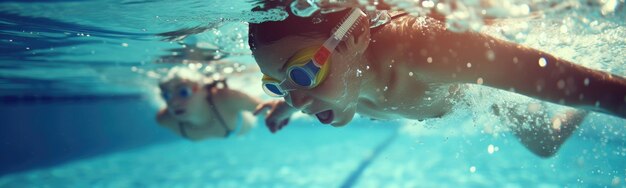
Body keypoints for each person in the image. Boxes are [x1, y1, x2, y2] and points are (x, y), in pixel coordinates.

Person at [248, 1, 626, 157]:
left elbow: (589, 88)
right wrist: (285, 105)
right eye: (278, 83)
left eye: (300, 74)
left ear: (358, 34)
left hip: (481, 91)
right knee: (546, 145)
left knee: (546, 139)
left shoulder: (421, 50)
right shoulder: (327, 84)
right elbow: (312, 81)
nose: (295, 97)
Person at [156, 66, 290, 141]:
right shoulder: (164, 119)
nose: (173, 102)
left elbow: (265, 108)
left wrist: (278, 111)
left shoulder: (226, 98)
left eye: (183, 92)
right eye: (166, 95)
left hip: (240, 124)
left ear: (203, 90)